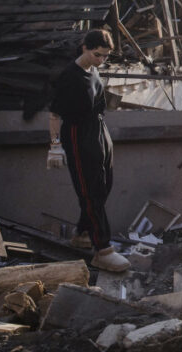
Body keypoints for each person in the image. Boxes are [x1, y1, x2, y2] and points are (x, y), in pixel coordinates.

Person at [48, 29, 131, 272]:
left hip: (99, 131)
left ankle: (84, 233)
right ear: (85, 47)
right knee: (90, 191)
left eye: (105, 56)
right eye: (97, 55)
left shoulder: (93, 70)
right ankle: (102, 250)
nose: (101, 60)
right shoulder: (69, 76)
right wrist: (54, 146)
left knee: (104, 186)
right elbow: (54, 113)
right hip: (78, 135)